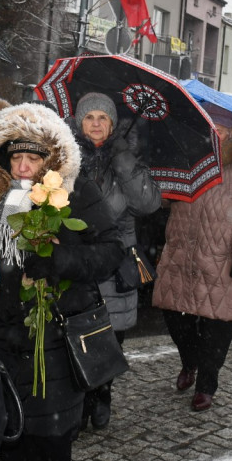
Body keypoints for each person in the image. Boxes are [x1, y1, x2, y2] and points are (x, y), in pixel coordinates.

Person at [0, 101, 123, 461]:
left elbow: (110, 250)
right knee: (13, 442)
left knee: (52, 450)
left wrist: (60, 259)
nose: (22, 168)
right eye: (16, 157)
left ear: (50, 161)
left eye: (32, 159)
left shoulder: (74, 192)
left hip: (53, 340)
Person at [153, 102, 232, 411]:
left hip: (223, 257)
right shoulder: (188, 158)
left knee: (216, 324)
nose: (216, 134)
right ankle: (189, 361)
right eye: (211, 128)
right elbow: (163, 202)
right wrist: (164, 178)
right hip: (183, 251)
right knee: (175, 316)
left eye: (222, 129)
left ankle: (207, 384)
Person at [71, 91, 161, 430]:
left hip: (116, 260)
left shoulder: (128, 158)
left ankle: (103, 393)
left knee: (111, 336)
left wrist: (124, 161)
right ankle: (79, 401)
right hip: (78, 258)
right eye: (89, 117)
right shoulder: (67, 156)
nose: (96, 124)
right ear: (80, 123)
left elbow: (149, 204)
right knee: (76, 331)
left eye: (103, 118)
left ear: (112, 124)